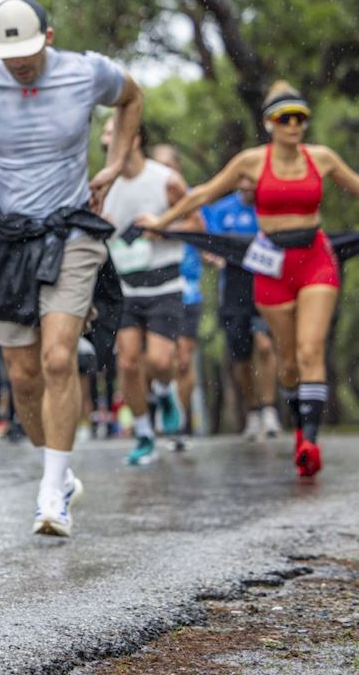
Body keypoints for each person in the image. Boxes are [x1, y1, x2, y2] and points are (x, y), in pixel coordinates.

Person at [0, 0, 143, 538]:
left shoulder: (85, 71)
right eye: (9, 54)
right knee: (22, 378)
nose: (18, 63)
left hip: (71, 229)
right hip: (8, 236)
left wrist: (115, 164)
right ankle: (59, 470)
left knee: (56, 357)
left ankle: (51, 494)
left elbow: (131, 96)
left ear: (48, 37)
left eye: (27, 51)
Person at [139, 82, 359, 478]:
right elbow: (202, 195)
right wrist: (161, 222)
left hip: (315, 260)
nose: (294, 125)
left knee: (311, 349)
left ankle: (309, 440)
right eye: (284, 118)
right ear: (269, 123)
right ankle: (294, 414)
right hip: (272, 266)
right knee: (288, 360)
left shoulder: (322, 158)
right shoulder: (251, 163)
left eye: (300, 118)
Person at [98, 120, 197, 466]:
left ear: (135, 136)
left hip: (165, 285)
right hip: (124, 286)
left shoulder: (165, 180)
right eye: (104, 135)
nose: (105, 139)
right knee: (126, 362)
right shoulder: (102, 186)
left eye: (114, 132)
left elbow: (197, 227)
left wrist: (163, 228)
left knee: (158, 361)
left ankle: (164, 390)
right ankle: (143, 434)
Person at [201, 175, 281, 439]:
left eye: (254, 181)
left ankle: (270, 410)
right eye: (245, 181)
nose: (249, 186)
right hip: (233, 291)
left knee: (265, 346)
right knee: (241, 358)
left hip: (265, 285)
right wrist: (214, 258)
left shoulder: (271, 209)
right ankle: (253, 410)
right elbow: (207, 245)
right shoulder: (221, 210)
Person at [151, 142, 203, 450]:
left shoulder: (190, 196)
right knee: (159, 358)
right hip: (153, 285)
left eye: (169, 165)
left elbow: (199, 226)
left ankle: (179, 426)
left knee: (184, 358)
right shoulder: (145, 195)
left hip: (187, 285)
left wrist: (164, 227)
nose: (164, 172)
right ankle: (162, 395)